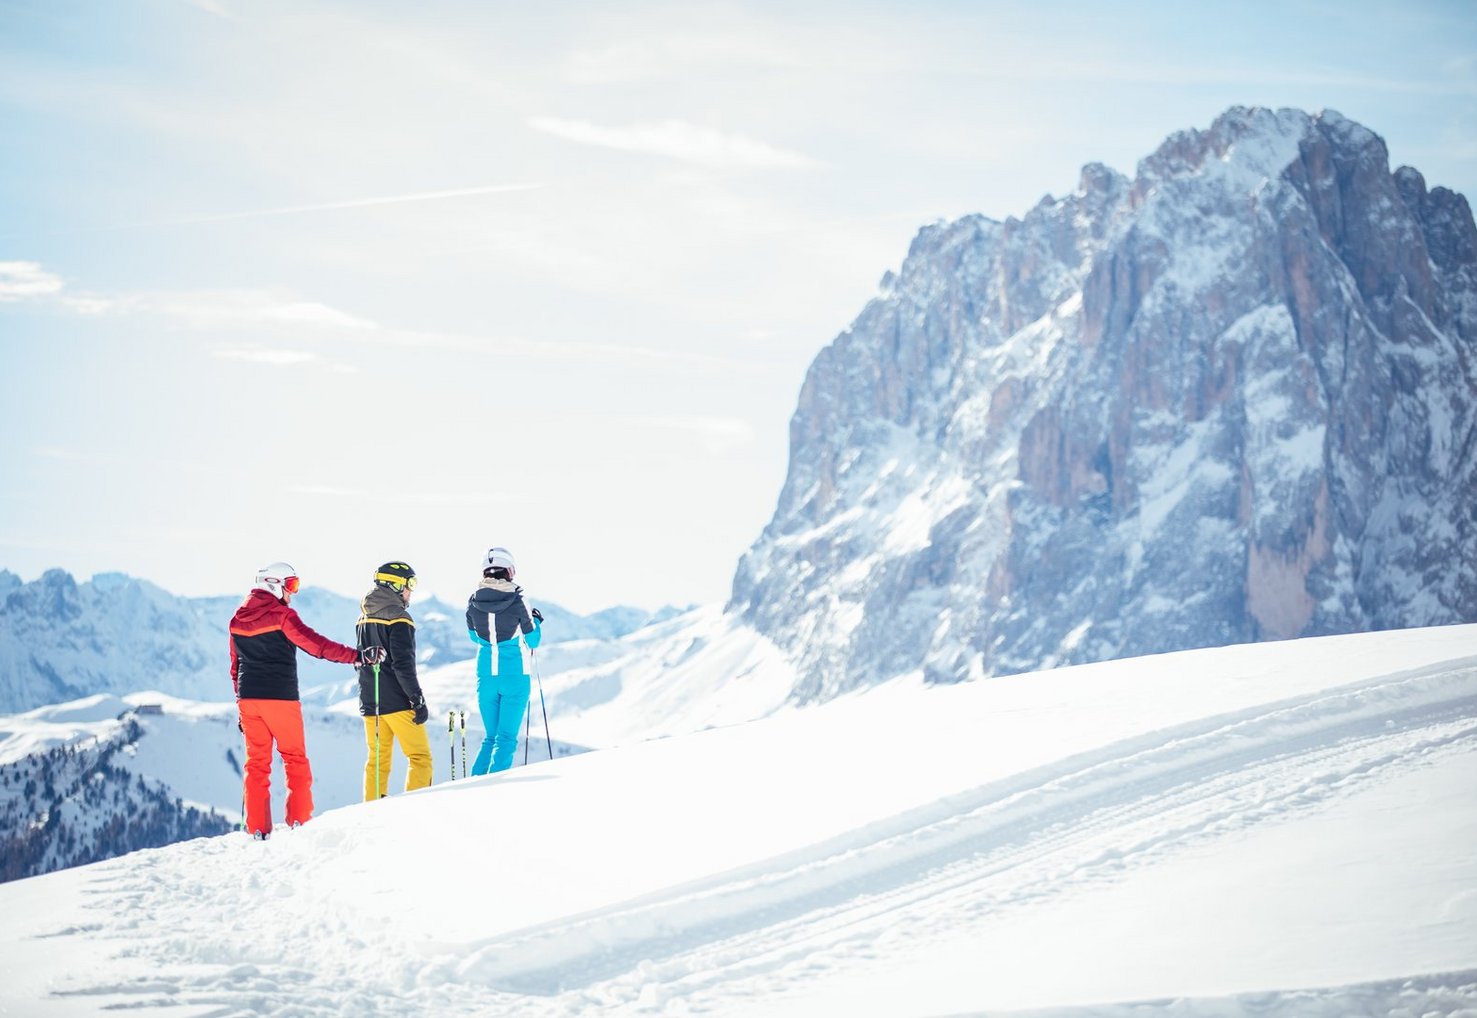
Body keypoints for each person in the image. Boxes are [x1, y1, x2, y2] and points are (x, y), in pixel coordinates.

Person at [229, 561, 377, 839]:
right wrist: (358, 656)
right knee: (294, 759)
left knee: (256, 764)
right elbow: (316, 645)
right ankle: (300, 823)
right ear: (273, 585)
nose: (292, 592)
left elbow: (235, 666)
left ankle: (257, 829)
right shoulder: (282, 616)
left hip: (248, 699)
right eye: (291, 585)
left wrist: (241, 704)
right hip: (280, 698)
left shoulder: (236, 620)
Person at [356, 561, 432, 799]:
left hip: (370, 701)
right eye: (410, 584)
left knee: (377, 761)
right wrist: (417, 699)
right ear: (396, 585)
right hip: (398, 702)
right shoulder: (400, 618)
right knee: (420, 758)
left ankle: (371, 812)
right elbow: (403, 664)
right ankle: (415, 808)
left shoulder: (363, 618)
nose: (411, 591)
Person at [465, 546, 543, 775]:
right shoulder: (518, 599)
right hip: (515, 674)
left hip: (486, 675)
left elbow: (474, 637)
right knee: (506, 738)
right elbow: (533, 640)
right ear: (509, 570)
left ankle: (472, 786)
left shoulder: (473, 600)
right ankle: (493, 788)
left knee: (490, 738)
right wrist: (536, 621)